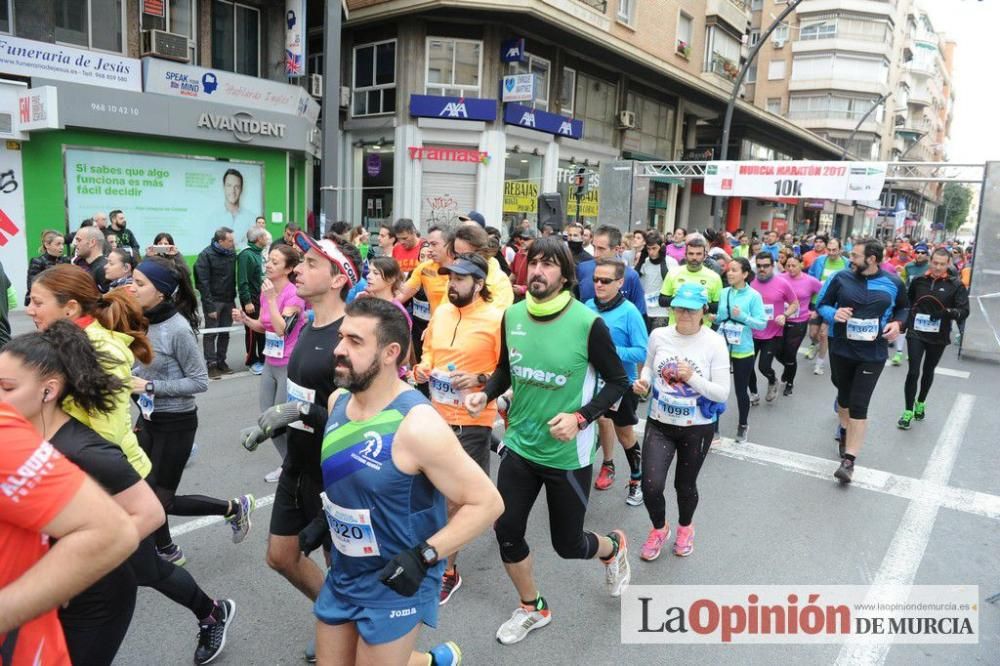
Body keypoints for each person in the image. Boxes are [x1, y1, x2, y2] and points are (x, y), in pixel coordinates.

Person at [312, 297, 503, 665]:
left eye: (355, 341)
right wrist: (323, 521)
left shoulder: (418, 425)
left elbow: (487, 502)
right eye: (340, 337)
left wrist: (424, 556)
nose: (338, 349)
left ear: (390, 353)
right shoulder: (339, 401)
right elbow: (354, 479)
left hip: (395, 583)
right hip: (345, 573)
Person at [464, 236, 632, 646]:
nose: (538, 271)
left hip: (566, 454)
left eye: (549, 264)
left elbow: (618, 382)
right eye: (533, 263)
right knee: (506, 530)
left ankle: (611, 547)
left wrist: (580, 418)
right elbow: (506, 369)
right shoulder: (513, 315)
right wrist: (485, 394)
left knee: (568, 544)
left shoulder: (587, 323)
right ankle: (532, 606)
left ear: (565, 274)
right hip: (520, 445)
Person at [0, 321, 165, 665]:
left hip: (95, 596)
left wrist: (78, 571)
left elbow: (149, 513)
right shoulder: (20, 444)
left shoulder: (84, 448)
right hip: (49, 590)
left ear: (49, 391)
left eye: (7, 388)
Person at [240, 233, 361, 662]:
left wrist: (297, 413)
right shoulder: (305, 323)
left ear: (336, 280)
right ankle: (335, 614)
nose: (297, 270)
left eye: (310, 263)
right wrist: (275, 426)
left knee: (340, 565)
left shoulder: (349, 339)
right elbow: (300, 394)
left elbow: (357, 425)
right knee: (281, 555)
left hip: (336, 475)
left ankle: (342, 627)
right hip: (299, 463)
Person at [132, 256, 255, 564]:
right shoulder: (141, 319)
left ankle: (233, 508)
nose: (131, 288)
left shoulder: (177, 329)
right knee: (143, 490)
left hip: (176, 422)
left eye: (139, 283)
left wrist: (148, 388)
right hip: (148, 417)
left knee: (162, 498)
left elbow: (200, 381)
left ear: (160, 292)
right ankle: (166, 548)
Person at [0, 404, 139, 666]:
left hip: (101, 579)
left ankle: (209, 611)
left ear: (48, 389)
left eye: (7, 386)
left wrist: (61, 576)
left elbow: (128, 523)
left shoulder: (78, 446)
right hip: (75, 526)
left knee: (153, 570)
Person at [412, 253, 503, 605]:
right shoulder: (443, 311)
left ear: (479, 284)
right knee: (426, 490)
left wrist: (480, 379)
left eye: (461, 279)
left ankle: (448, 569)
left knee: (455, 499)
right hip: (435, 414)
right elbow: (429, 351)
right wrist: (423, 368)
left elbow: (506, 371)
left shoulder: (496, 319)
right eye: (450, 278)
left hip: (473, 420)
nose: (453, 284)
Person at [632, 282, 730, 561]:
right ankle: (659, 528)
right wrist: (644, 382)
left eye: (691, 309)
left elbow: (722, 392)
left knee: (684, 487)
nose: (684, 313)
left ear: (704, 311)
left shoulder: (714, 342)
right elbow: (650, 366)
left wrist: (692, 378)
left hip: (696, 428)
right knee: (650, 485)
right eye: (679, 307)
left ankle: (685, 528)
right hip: (660, 422)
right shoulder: (660, 335)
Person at [27, 264, 154, 479]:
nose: (29, 309)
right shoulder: (58, 342)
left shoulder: (101, 350)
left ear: (70, 308)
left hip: (116, 480)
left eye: (38, 302)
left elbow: (108, 435)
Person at [817, 240, 908, 483]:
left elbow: (904, 309)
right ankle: (845, 429)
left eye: (856, 255)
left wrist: (897, 324)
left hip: (873, 353)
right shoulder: (840, 278)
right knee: (843, 395)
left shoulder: (894, 283)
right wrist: (833, 314)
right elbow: (820, 305)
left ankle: (849, 461)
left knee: (859, 403)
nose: (851, 259)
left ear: (872, 259)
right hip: (842, 348)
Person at [232, 246, 307, 483]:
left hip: (289, 363)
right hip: (270, 362)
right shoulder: (267, 292)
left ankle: (292, 467)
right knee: (266, 417)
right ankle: (289, 464)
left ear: (288, 269)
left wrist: (273, 300)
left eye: (275, 262)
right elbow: (264, 326)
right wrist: (246, 320)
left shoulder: (293, 294)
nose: (269, 264)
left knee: (278, 420)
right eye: (269, 260)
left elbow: (282, 329)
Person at [585, 257, 648, 504]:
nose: (599, 284)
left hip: (622, 384)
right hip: (591, 382)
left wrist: (609, 351)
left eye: (605, 281)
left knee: (625, 436)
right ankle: (601, 468)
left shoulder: (630, 312)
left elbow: (642, 351)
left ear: (620, 282)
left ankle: (636, 481)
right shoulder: (588, 306)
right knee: (586, 426)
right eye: (595, 280)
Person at [897, 248, 969, 429]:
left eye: (942, 264)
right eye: (935, 262)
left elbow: (964, 311)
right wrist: (903, 323)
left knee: (928, 370)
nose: (938, 267)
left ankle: (920, 401)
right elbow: (908, 303)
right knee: (913, 371)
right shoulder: (919, 281)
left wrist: (947, 312)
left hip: (938, 335)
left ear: (948, 264)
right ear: (930, 261)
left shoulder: (956, 285)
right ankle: (907, 411)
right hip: (916, 332)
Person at [715, 257, 765, 443]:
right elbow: (720, 319)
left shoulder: (754, 296)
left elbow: (761, 324)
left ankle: (743, 425)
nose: (729, 273)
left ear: (745, 274)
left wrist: (743, 316)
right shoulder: (724, 292)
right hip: (722, 346)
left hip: (743, 349)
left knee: (740, 390)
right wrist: (714, 317)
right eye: (729, 269)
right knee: (718, 389)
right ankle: (715, 428)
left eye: (734, 270)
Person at [746, 252, 798, 405]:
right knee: (748, 367)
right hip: (752, 332)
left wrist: (785, 315)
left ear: (773, 266)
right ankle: (754, 394)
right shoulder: (750, 282)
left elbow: (795, 304)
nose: (762, 269)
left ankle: (772, 379)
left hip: (773, 334)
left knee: (763, 366)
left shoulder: (782, 283)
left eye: (766, 266)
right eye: (759, 266)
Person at [194, 227, 238, 378]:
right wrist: (209, 306)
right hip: (214, 302)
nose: (233, 243)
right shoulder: (205, 255)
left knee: (225, 333)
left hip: (228, 300)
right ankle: (211, 365)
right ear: (221, 241)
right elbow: (202, 283)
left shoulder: (231, 253)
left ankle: (221, 362)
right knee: (211, 333)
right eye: (230, 241)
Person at [576, 225, 647, 316]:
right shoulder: (582, 269)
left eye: (601, 249)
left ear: (616, 249)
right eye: (594, 247)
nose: (595, 254)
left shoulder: (630, 276)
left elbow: (639, 313)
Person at [777, 255, 823, 395]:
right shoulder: (780, 278)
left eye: (794, 265)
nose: (790, 268)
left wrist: (815, 310)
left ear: (801, 265)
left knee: (790, 354)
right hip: (781, 320)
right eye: (788, 266)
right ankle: (788, 368)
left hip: (799, 322)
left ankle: (789, 383)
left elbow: (825, 294)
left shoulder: (810, 281)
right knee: (778, 352)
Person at [448, 223, 515, 310]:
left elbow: (498, 317)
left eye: (465, 255)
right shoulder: (454, 275)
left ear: (481, 253)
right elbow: (447, 308)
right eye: (456, 254)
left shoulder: (500, 281)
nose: (459, 260)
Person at [659, 235, 723, 326]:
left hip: (702, 331)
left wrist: (698, 302)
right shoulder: (673, 273)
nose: (694, 258)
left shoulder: (714, 277)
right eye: (691, 253)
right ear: (685, 255)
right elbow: (662, 300)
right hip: (676, 327)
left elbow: (718, 306)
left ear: (705, 256)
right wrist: (682, 300)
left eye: (698, 254)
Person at [805, 237, 847, 376]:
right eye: (829, 249)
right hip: (817, 302)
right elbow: (810, 278)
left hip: (833, 305)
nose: (831, 252)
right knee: (812, 334)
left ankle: (819, 364)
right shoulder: (819, 261)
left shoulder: (847, 264)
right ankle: (814, 344)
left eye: (834, 250)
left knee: (824, 334)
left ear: (840, 250)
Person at [238, 227, 269, 375]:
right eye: (264, 236)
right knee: (251, 331)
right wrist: (247, 301)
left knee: (262, 329)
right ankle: (251, 360)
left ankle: (263, 359)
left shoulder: (260, 253)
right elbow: (242, 281)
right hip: (251, 299)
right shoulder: (246, 255)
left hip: (262, 296)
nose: (267, 238)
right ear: (258, 239)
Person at [634, 230, 679, 330]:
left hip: (662, 311)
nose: (651, 252)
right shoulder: (645, 261)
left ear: (661, 247)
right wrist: (641, 259)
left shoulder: (671, 262)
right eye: (648, 249)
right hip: (646, 309)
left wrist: (662, 259)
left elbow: (670, 282)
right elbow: (635, 277)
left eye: (654, 248)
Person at [25, 229, 70, 305]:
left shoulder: (66, 260)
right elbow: (32, 285)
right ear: (47, 245)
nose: (62, 247)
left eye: (62, 244)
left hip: (62, 302)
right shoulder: (37, 261)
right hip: (42, 302)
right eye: (58, 244)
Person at [218, 168, 257, 243]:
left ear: (241, 189)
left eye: (237, 187)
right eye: (229, 185)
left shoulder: (251, 218)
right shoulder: (213, 218)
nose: (233, 191)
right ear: (224, 187)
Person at [72, 225, 110, 292]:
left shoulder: (103, 269)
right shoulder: (92, 266)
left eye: (79, 240)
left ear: (92, 242)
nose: (75, 244)